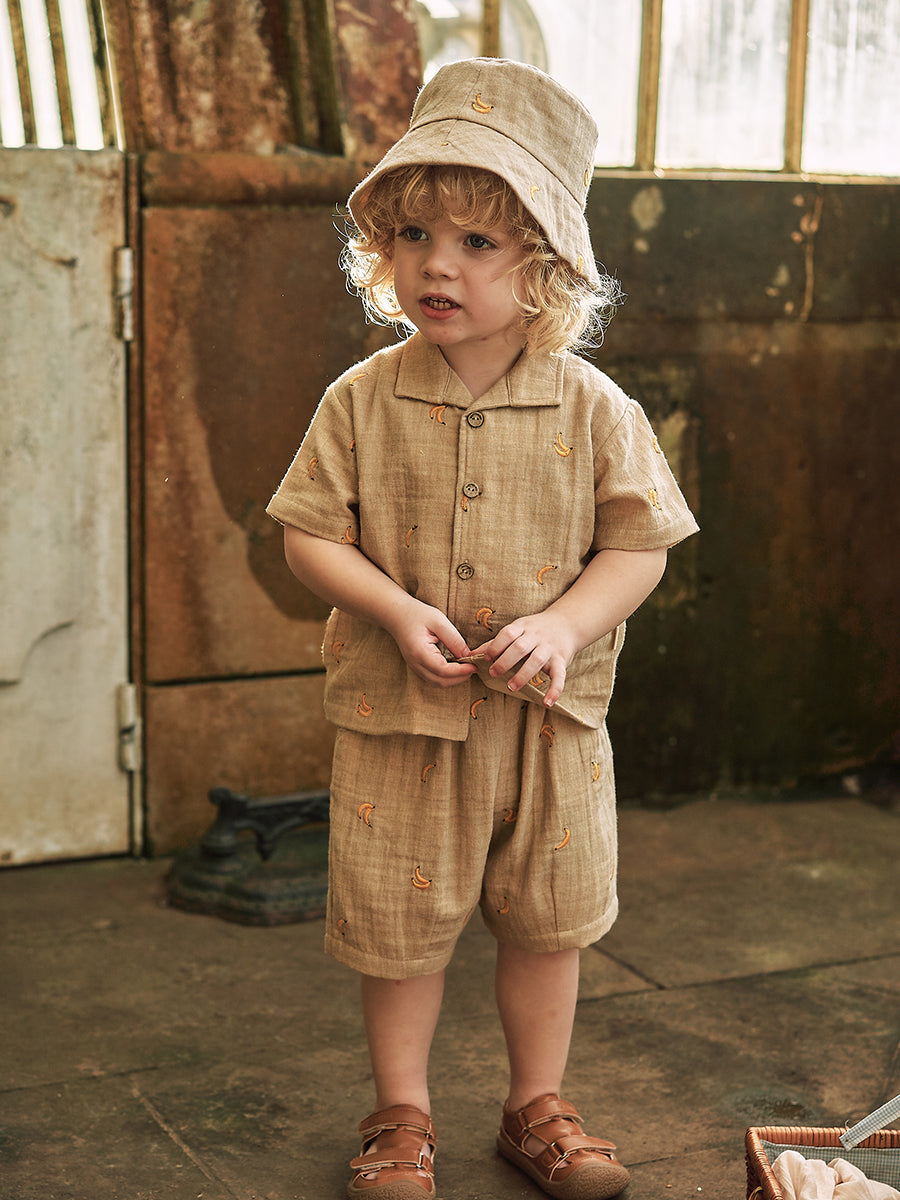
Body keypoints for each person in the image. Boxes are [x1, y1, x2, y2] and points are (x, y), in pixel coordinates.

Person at [267, 57, 698, 1200]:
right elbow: (308, 536)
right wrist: (395, 607)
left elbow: (641, 545)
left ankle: (535, 1106)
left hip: (550, 727)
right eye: (412, 235)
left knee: (548, 926)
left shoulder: (595, 408)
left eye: (475, 242)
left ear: (545, 265)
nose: (435, 264)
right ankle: (400, 1115)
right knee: (398, 929)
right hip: (402, 722)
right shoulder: (359, 401)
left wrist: (563, 626)